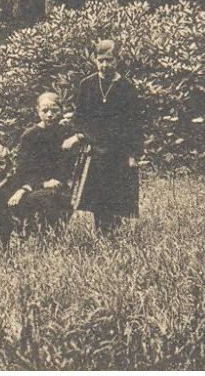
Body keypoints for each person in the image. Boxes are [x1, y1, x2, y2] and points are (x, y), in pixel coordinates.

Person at [68, 39, 144, 233]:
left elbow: (135, 123)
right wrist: (83, 136)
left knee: (117, 195)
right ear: (95, 60)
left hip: (118, 151)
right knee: (98, 196)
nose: (105, 65)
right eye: (101, 60)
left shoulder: (127, 87)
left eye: (109, 60)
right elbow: (79, 118)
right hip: (95, 150)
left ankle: (115, 234)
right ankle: (102, 233)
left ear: (117, 60)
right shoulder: (87, 85)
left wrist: (134, 154)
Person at [8, 91, 77, 237]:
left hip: (58, 183)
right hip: (31, 184)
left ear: (61, 111)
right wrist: (42, 183)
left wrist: (59, 180)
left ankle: (54, 233)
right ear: (38, 111)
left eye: (54, 111)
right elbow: (24, 169)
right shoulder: (30, 135)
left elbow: (67, 164)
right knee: (43, 197)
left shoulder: (65, 133)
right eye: (45, 111)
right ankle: (35, 233)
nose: (50, 115)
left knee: (62, 196)